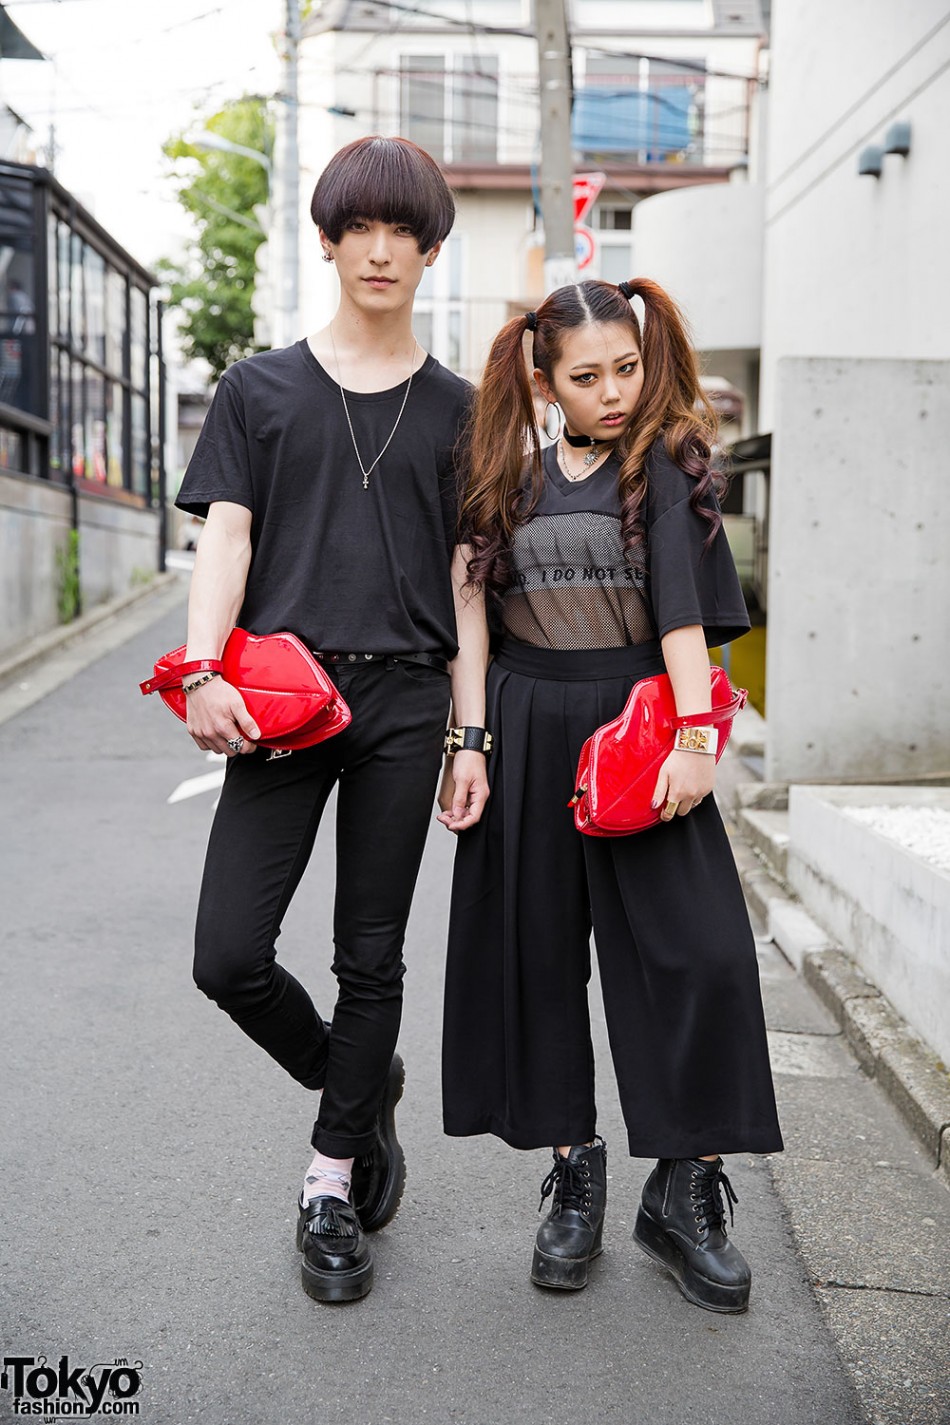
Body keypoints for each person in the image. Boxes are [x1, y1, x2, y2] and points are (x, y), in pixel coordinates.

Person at [175, 136, 489, 1304]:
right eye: (357, 228)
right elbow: (229, 536)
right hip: (284, 703)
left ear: (428, 250)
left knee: (371, 958)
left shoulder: (461, 408)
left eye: (401, 231)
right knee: (227, 956)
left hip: (409, 702)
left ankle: (329, 1178)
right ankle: (359, 1086)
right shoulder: (257, 388)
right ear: (327, 240)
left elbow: (468, 578)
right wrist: (201, 669)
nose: (378, 249)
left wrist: (471, 735)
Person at [440, 277, 783, 1314]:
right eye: (586, 377)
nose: (613, 392)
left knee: (701, 955)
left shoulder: (667, 464)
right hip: (526, 721)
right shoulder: (499, 473)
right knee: (538, 960)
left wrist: (693, 737)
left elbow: (682, 616)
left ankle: (686, 1185)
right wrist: (468, 742)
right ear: (542, 381)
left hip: (639, 733)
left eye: (625, 369)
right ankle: (574, 1174)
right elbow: (470, 618)